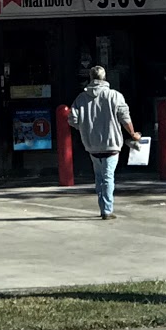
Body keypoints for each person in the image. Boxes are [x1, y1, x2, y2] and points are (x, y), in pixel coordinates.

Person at [69, 65, 138, 220]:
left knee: (99, 176)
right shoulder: (115, 96)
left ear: (90, 77)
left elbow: (72, 119)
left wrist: (84, 127)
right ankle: (106, 210)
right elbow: (125, 117)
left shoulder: (81, 98)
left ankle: (103, 206)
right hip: (111, 143)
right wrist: (133, 134)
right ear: (105, 77)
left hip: (91, 144)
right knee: (108, 177)